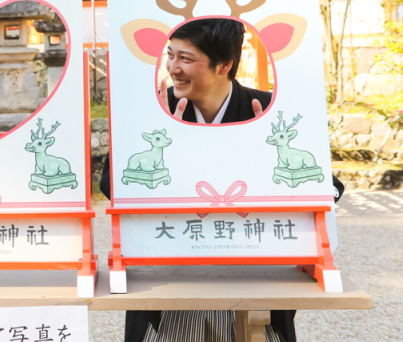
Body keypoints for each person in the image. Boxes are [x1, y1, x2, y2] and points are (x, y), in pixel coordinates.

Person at [101, 18, 344, 342]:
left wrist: (264, 160)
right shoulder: (153, 110)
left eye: (185, 58)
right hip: (170, 276)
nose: (173, 68)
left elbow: (328, 185)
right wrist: (167, 152)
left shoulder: (269, 109)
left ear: (224, 64)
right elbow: (110, 182)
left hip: (255, 278)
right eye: (169, 55)